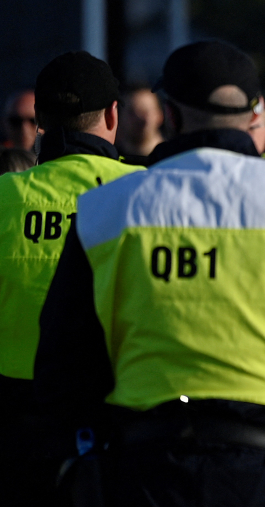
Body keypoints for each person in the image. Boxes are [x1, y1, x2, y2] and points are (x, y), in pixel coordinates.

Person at [33, 40, 265, 507]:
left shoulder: (108, 207)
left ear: (170, 113)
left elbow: (65, 357)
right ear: (252, 116)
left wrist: (97, 441)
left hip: (144, 465)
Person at [0, 51, 143, 505]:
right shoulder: (149, 193)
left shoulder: (4, 195)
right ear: (114, 115)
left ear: (39, 119)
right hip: (115, 414)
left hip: (13, 418)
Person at [115, 85, 165, 161]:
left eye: (145, 112)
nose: (139, 118)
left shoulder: (174, 158)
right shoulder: (110, 160)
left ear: (160, 116)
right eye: (132, 112)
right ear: (120, 117)